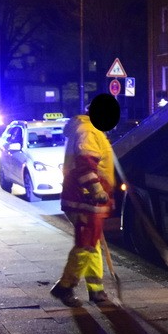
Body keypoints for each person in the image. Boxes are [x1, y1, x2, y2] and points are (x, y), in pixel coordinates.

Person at [50, 94, 120, 306]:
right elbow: (85, 165)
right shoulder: (89, 131)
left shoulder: (90, 129)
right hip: (85, 200)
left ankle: (96, 289)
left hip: (86, 200)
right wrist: (97, 190)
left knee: (92, 244)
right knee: (86, 245)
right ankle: (65, 286)